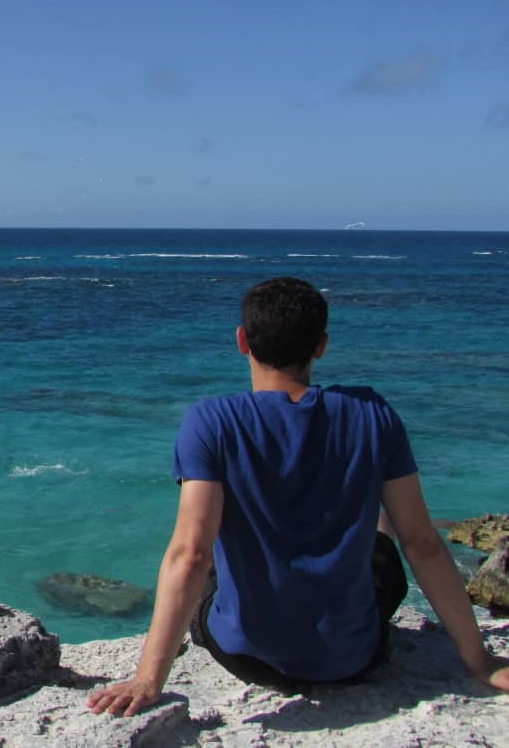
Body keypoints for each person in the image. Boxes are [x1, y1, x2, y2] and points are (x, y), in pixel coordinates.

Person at [88, 276, 509, 717]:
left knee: (212, 557)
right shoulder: (373, 414)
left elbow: (190, 554)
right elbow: (422, 543)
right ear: (321, 346)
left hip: (244, 657)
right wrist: (480, 662)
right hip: (350, 659)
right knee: (383, 534)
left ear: (242, 341)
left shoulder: (211, 421)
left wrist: (147, 679)